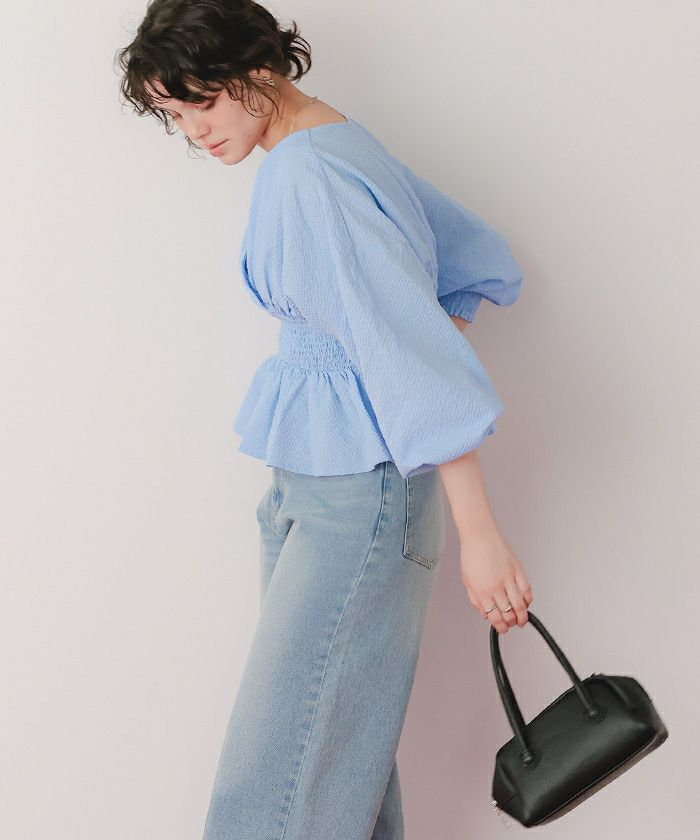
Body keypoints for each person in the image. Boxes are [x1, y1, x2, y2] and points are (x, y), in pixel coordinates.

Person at [116, 2, 533, 837]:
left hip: (357, 500)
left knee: (280, 782)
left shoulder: (314, 174)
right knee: (333, 766)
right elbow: (465, 262)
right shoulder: (333, 145)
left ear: (257, 68)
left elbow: (413, 352)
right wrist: (383, 355)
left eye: (202, 102)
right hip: (318, 483)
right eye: (174, 115)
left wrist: (479, 532)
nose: (195, 131)